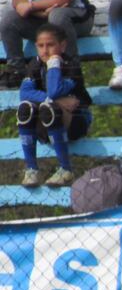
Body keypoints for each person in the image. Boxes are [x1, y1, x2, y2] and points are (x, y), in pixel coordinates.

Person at [17, 23, 92, 188]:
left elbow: (54, 90)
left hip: (76, 122)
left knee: (48, 108)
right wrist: (55, 100)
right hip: (47, 123)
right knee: (25, 108)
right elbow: (24, 93)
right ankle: (32, 169)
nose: (45, 50)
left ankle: (66, 169)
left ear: (62, 45)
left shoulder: (71, 65)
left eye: (50, 45)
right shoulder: (35, 64)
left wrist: (54, 64)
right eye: (40, 46)